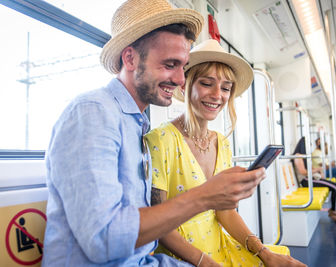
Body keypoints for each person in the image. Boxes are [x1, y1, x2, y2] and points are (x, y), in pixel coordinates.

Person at [42, 1, 267, 266]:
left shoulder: (135, 125)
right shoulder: (93, 113)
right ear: (130, 58)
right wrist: (205, 196)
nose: (181, 80)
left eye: (183, 67)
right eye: (170, 64)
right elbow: (103, 240)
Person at [146, 39, 306, 267]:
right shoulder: (160, 140)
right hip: (181, 257)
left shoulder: (221, 143)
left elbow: (225, 212)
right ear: (185, 85)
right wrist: (206, 263)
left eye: (225, 88)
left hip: (219, 245)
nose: (217, 95)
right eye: (206, 83)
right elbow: (159, 225)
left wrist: (264, 253)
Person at [292, 137, 336, 223]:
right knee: (334, 187)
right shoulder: (298, 156)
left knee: (334, 185)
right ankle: (334, 212)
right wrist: (318, 170)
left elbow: (311, 167)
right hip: (305, 181)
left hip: (310, 178)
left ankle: (333, 210)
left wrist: (319, 170)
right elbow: (303, 172)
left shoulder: (304, 156)